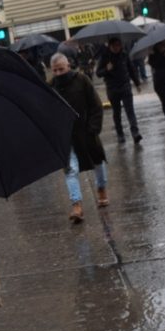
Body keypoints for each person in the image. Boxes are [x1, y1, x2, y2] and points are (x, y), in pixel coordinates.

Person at [50, 53, 110, 223]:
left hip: (86, 132)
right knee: (70, 170)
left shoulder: (82, 80)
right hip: (66, 135)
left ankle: (101, 189)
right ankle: (76, 205)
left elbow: (96, 104)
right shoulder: (51, 86)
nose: (59, 73)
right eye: (55, 70)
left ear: (68, 66)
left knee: (98, 162)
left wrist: (93, 128)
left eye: (61, 69)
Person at [95, 37, 143, 144]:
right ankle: (120, 134)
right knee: (117, 113)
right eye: (115, 45)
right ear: (110, 46)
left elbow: (131, 69)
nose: (117, 47)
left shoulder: (124, 54)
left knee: (130, 111)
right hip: (113, 89)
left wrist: (137, 83)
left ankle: (135, 133)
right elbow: (98, 73)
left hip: (125, 86)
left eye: (119, 45)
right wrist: (106, 69)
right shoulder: (105, 57)